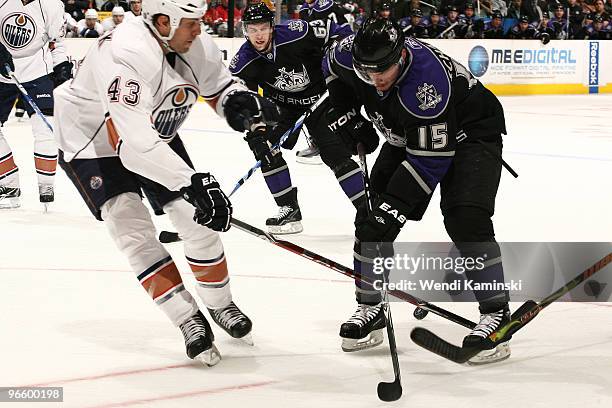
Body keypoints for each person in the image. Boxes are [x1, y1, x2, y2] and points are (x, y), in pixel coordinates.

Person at [53, 0, 279, 366]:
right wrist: (193, 181)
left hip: (149, 126)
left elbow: (218, 86)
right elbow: (133, 147)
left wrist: (240, 107)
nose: (199, 31)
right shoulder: (126, 53)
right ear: (162, 21)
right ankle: (186, 317)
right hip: (92, 137)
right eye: (191, 24)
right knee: (130, 223)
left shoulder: (192, 41)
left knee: (195, 219)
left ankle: (220, 304)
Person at [323, 18, 512, 364]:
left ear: (402, 56)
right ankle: (371, 307)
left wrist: (392, 211)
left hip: (470, 135)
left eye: (383, 71)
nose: (376, 80)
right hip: (408, 134)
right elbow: (330, 68)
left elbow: (429, 159)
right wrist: (347, 114)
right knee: (369, 220)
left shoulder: (427, 84)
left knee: (465, 218)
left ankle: (497, 312)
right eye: (367, 73)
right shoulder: (348, 54)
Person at [230, 2, 364, 234]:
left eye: (263, 28)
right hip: (284, 106)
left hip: (321, 98)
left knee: (335, 154)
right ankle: (289, 210)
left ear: (272, 26)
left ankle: (367, 210)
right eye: (252, 29)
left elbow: (342, 34)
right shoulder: (243, 61)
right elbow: (240, 101)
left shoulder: (296, 32)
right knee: (265, 149)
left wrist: (338, 62)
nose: (258, 35)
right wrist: (255, 129)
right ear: (245, 31)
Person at [0, 0, 72, 209]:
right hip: (3, 74)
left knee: (45, 129)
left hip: (37, 73)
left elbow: (57, 43)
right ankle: (8, 182)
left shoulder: (51, 5)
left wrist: (62, 67)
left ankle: (46, 186)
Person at [297, 0, 352, 163]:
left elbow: (346, 33)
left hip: (331, 61)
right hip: (314, 62)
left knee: (333, 104)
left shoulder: (330, 7)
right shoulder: (305, 9)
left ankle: (340, 141)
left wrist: (336, 52)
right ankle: (318, 141)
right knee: (310, 102)